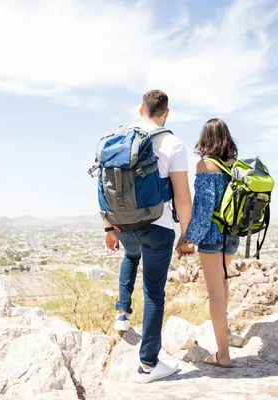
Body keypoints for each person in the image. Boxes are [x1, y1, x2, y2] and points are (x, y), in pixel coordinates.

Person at [103, 89, 193, 383]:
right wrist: (186, 235)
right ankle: (148, 365)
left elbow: (106, 188)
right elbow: (182, 196)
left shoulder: (118, 139)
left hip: (122, 225)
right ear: (166, 113)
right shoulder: (172, 143)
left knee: (131, 255)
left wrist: (108, 228)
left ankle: (122, 311)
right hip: (158, 225)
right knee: (154, 292)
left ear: (140, 110)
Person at [181, 118, 239, 368]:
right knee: (223, 287)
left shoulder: (205, 165)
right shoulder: (235, 166)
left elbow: (203, 212)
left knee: (215, 293)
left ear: (205, 139)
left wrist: (187, 240)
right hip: (232, 235)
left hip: (213, 237)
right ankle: (223, 339)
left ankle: (223, 355)